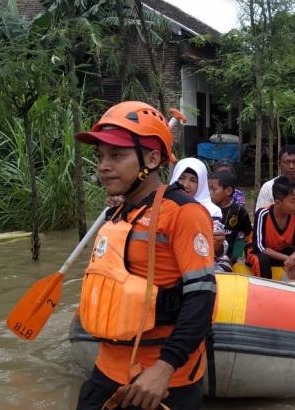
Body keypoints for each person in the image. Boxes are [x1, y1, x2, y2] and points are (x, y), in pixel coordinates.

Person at [75, 101, 215, 410]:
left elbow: (203, 297)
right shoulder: (119, 212)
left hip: (163, 381)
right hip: (107, 370)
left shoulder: (183, 214)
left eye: (117, 155)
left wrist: (165, 368)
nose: (103, 165)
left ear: (152, 159)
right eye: (100, 156)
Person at [246, 176, 295, 282]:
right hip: (262, 253)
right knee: (262, 260)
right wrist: (286, 258)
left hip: (282, 251)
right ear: (278, 203)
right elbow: (259, 247)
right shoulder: (263, 214)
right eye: (292, 202)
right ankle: (265, 291)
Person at [169, 157, 228, 270]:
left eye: (193, 180)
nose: (185, 184)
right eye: (181, 178)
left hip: (201, 265)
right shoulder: (163, 205)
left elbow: (220, 248)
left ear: (200, 183)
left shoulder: (211, 210)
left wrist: (217, 244)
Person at [209, 170, 252, 263]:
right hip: (206, 256)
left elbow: (249, 235)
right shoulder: (206, 208)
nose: (210, 193)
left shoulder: (239, 211)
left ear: (228, 191)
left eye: (214, 189)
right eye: (209, 189)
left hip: (226, 259)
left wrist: (247, 253)